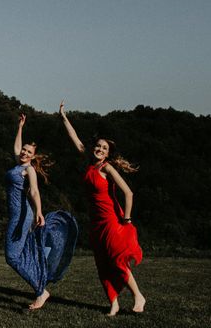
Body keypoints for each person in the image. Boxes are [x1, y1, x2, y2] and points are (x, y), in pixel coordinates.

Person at [59, 101, 145, 316]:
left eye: (104, 148)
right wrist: (63, 117)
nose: (99, 149)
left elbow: (128, 193)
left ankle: (138, 296)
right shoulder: (90, 164)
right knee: (102, 264)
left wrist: (126, 219)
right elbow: (76, 140)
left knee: (116, 260)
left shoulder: (107, 168)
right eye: (98, 146)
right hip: (95, 222)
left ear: (108, 154)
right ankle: (113, 303)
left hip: (111, 221)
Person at [6, 114, 78, 310]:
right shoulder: (17, 164)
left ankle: (41, 290)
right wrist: (20, 126)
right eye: (24, 149)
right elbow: (15, 147)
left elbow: (35, 191)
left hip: (22, 215)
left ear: (32, 156)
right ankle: (39, 280)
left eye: (28, 152)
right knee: (17, 255)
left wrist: (39, 212)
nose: (24, 152)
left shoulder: (28, 170)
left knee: (12, 257)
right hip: (15, 214)